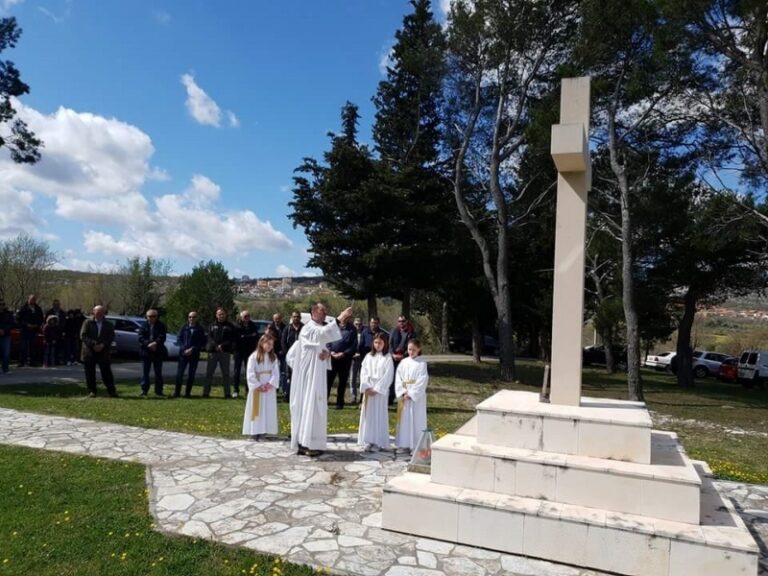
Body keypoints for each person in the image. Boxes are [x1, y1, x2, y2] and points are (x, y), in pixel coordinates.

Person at [286, 303, 353, 457]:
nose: (325, 313)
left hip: (317, 375)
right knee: (309, 406)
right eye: (323, 310)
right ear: (314, 312)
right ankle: (305, 443)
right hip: (309, 377)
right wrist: (340, 318)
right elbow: (321, 334)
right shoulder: (309, 327)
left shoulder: (316, 328)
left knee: (317, 408)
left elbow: (320, 346)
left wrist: (328, 354)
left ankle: (313, 441)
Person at [357, 333, 394, 452]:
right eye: (376, 342)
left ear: (385, 344)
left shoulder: (387, 358)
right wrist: (367, 387)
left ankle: (378, 441)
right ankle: (368, 440)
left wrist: (377, 389)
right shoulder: (368, 356)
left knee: (379, 414)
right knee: (368, 415)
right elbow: (363, 372)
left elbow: (388, 375)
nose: (378, 345)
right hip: (369, 390)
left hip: (380, 392)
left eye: (380, 343)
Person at [242, 334, 280, 440]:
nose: (270, 346)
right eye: (268, 344)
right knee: (256, 410)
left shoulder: (273, 357)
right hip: (257, 387)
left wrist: (270, 384)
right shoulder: (254, 357)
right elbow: (250, 373)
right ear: (261, 343)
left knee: (267, 408)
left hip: (268, 388)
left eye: (272, 344)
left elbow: (275, 373)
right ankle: (254, 431)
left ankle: (264, 431)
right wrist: (257, 385)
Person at [394, 338, 428, 453]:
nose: (411, 352)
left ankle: (416, 446)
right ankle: (404, 444)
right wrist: (403, 392)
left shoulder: (422, 363)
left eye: (414, 349)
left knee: (416, 420)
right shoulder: (404, 362)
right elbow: (398, 378)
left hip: (415, 398)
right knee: (404, 420)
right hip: (404, 395)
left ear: (419, 349)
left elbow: (422, 381)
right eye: (409, 349)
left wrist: (411, 393)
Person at [80, 305, 118, 398]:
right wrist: (94, 344)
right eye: (97, 313)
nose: (99, 315)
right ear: (93, 312)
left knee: (107, 373)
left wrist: (103, 344)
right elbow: (83, 336)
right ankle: (92, 391)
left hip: (103, 352)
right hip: (89, 351)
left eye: (101, 313)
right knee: (90, 373)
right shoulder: (87, 322)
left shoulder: (108, 324)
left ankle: (111, 391)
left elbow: (111, 336)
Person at [204, 308, 237, 398]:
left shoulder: (230, 326)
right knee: (209, 373)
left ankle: (227, 393)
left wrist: (222, 345)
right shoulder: (211, 325)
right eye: (219, 314)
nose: (221, 316)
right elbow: (209, 337)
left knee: (226, 374)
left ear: (225, 315)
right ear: (216, 315)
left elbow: (232, 339)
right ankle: (206, 393)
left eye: (223, 314)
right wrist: (215, 345)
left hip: (225, 352)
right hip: (213, 352)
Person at [326, 315, 357, 409]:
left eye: (346, 317)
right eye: (343, 317)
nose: (344, 319)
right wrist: (330, 351)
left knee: (342, 382)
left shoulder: (352, 329)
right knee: (328, 381)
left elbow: (353, 345)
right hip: (332, 358)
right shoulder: (333, 326)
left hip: (345, 359)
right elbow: (327, 340)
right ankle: (324, 402)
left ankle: (339, 403)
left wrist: (344, 353)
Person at [174, 311, 206, 397]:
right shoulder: (184, 327)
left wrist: (192, 349)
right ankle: (177, 392)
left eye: (194, 317)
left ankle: (187, 393)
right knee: (179, 374)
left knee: (191, 374)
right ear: (188, 318)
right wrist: (184, 349)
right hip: (183, 354)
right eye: (190, 317)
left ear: (197, 318)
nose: (192, 319)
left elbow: (202, 342)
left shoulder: (200, 329)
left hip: (194, 355)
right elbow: (179, 339)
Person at [138, 309, 167, 397]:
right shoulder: (143, 325)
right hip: (146, 352)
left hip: (157, 352)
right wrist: (148, 344)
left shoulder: (161, 325)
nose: (152, 318)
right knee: (145, 372)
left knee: (158, 372)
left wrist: (155, 343)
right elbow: (140, 337)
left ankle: (159, 391)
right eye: (150, 316)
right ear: (146, 317)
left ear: (157, 316)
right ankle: (144, 390)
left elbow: (162, 337)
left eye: (154, 316)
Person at [388, 314, 416, 405]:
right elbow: (390, 344)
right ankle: (390, 399)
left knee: (404, 380)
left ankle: (403, 398)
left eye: (403, 321)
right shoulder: (394, 331)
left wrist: (403, 356)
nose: (401, 323)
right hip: (393, 359)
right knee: (392, 379)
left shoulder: (412, 333)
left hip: (406, 360)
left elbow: (413, 347)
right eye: (399, 321)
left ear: (407, 321)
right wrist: (392, 354)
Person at [233, 310, 259, 399]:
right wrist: (248, 336)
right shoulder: (236, 325)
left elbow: (255, 336)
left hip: (249, 351)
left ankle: (248, 390)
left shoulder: (253, 325)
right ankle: (236, 390)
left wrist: (245, 336)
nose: (247, 318)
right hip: (239, 351)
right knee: (237, 371)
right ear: (241, 317)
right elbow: (237, 337)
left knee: (249, 371)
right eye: (245, 316)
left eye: (248, 316)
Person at [280, 310, 303, 401]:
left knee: (299, 376)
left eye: (297, 316)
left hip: (301, 357)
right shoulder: (287, 328)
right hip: (289, 357)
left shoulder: (304, 328)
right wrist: (287, 353)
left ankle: (298, 396)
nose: (296, 318)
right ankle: (287, 395)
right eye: (294, 316)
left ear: (300, 318)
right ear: (291, 317)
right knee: (288, 376)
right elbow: (283, 341)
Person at [16, 294, 44, 367]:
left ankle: (33, 362)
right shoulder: (23, 308)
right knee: (23, 347)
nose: (33, 300)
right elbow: (18, 319)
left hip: (34, 330)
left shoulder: (38, 308)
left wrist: (36, 325)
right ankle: (22, 362)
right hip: (25, 330)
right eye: (31, 299)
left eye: (34, 299)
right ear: (28, 299)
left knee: (33, 347)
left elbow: (41, 319)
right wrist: (26, 325)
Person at [269, 312, 288, 394]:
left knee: (283, 372)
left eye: (279, 318)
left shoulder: (285, 328)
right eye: (275, 319)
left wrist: (283, 350)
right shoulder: (270, 328)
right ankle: (274, 389)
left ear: (281, 319)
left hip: (283, 353)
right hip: (273, 353)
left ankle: (284, 389)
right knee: (273, 372)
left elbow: (285, 341)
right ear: (273, 319)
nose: (277, 320)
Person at [349, 317, 365, 405]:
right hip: (353, 359)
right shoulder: (351, 333)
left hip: (362, 359)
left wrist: (361, 354)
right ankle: (353, 397)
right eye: (356, 324)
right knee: (352, 378)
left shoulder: (364, 333)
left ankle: (362, 397)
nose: (358, 326)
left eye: (360, 324)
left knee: (362, 378)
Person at [46, 299, 67, 365]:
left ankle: (58, 360)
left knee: (59, 347)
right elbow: (46, 321)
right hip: (51, 331)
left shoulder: (62, 313)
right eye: (55, 304)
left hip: (60, 331)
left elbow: (64, 322)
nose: (56, 306)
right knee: (50, 348)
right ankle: (49, 361)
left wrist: (61, 328)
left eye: (57, 304)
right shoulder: (49, 312)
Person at [0, 301, 13, 374]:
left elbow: (11, 324)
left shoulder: (8, 314)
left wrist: (4, 330)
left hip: (6, 335)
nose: (1, 306)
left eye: (3, 304)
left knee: (6, 353)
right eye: (0, 304)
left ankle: (5, 368)